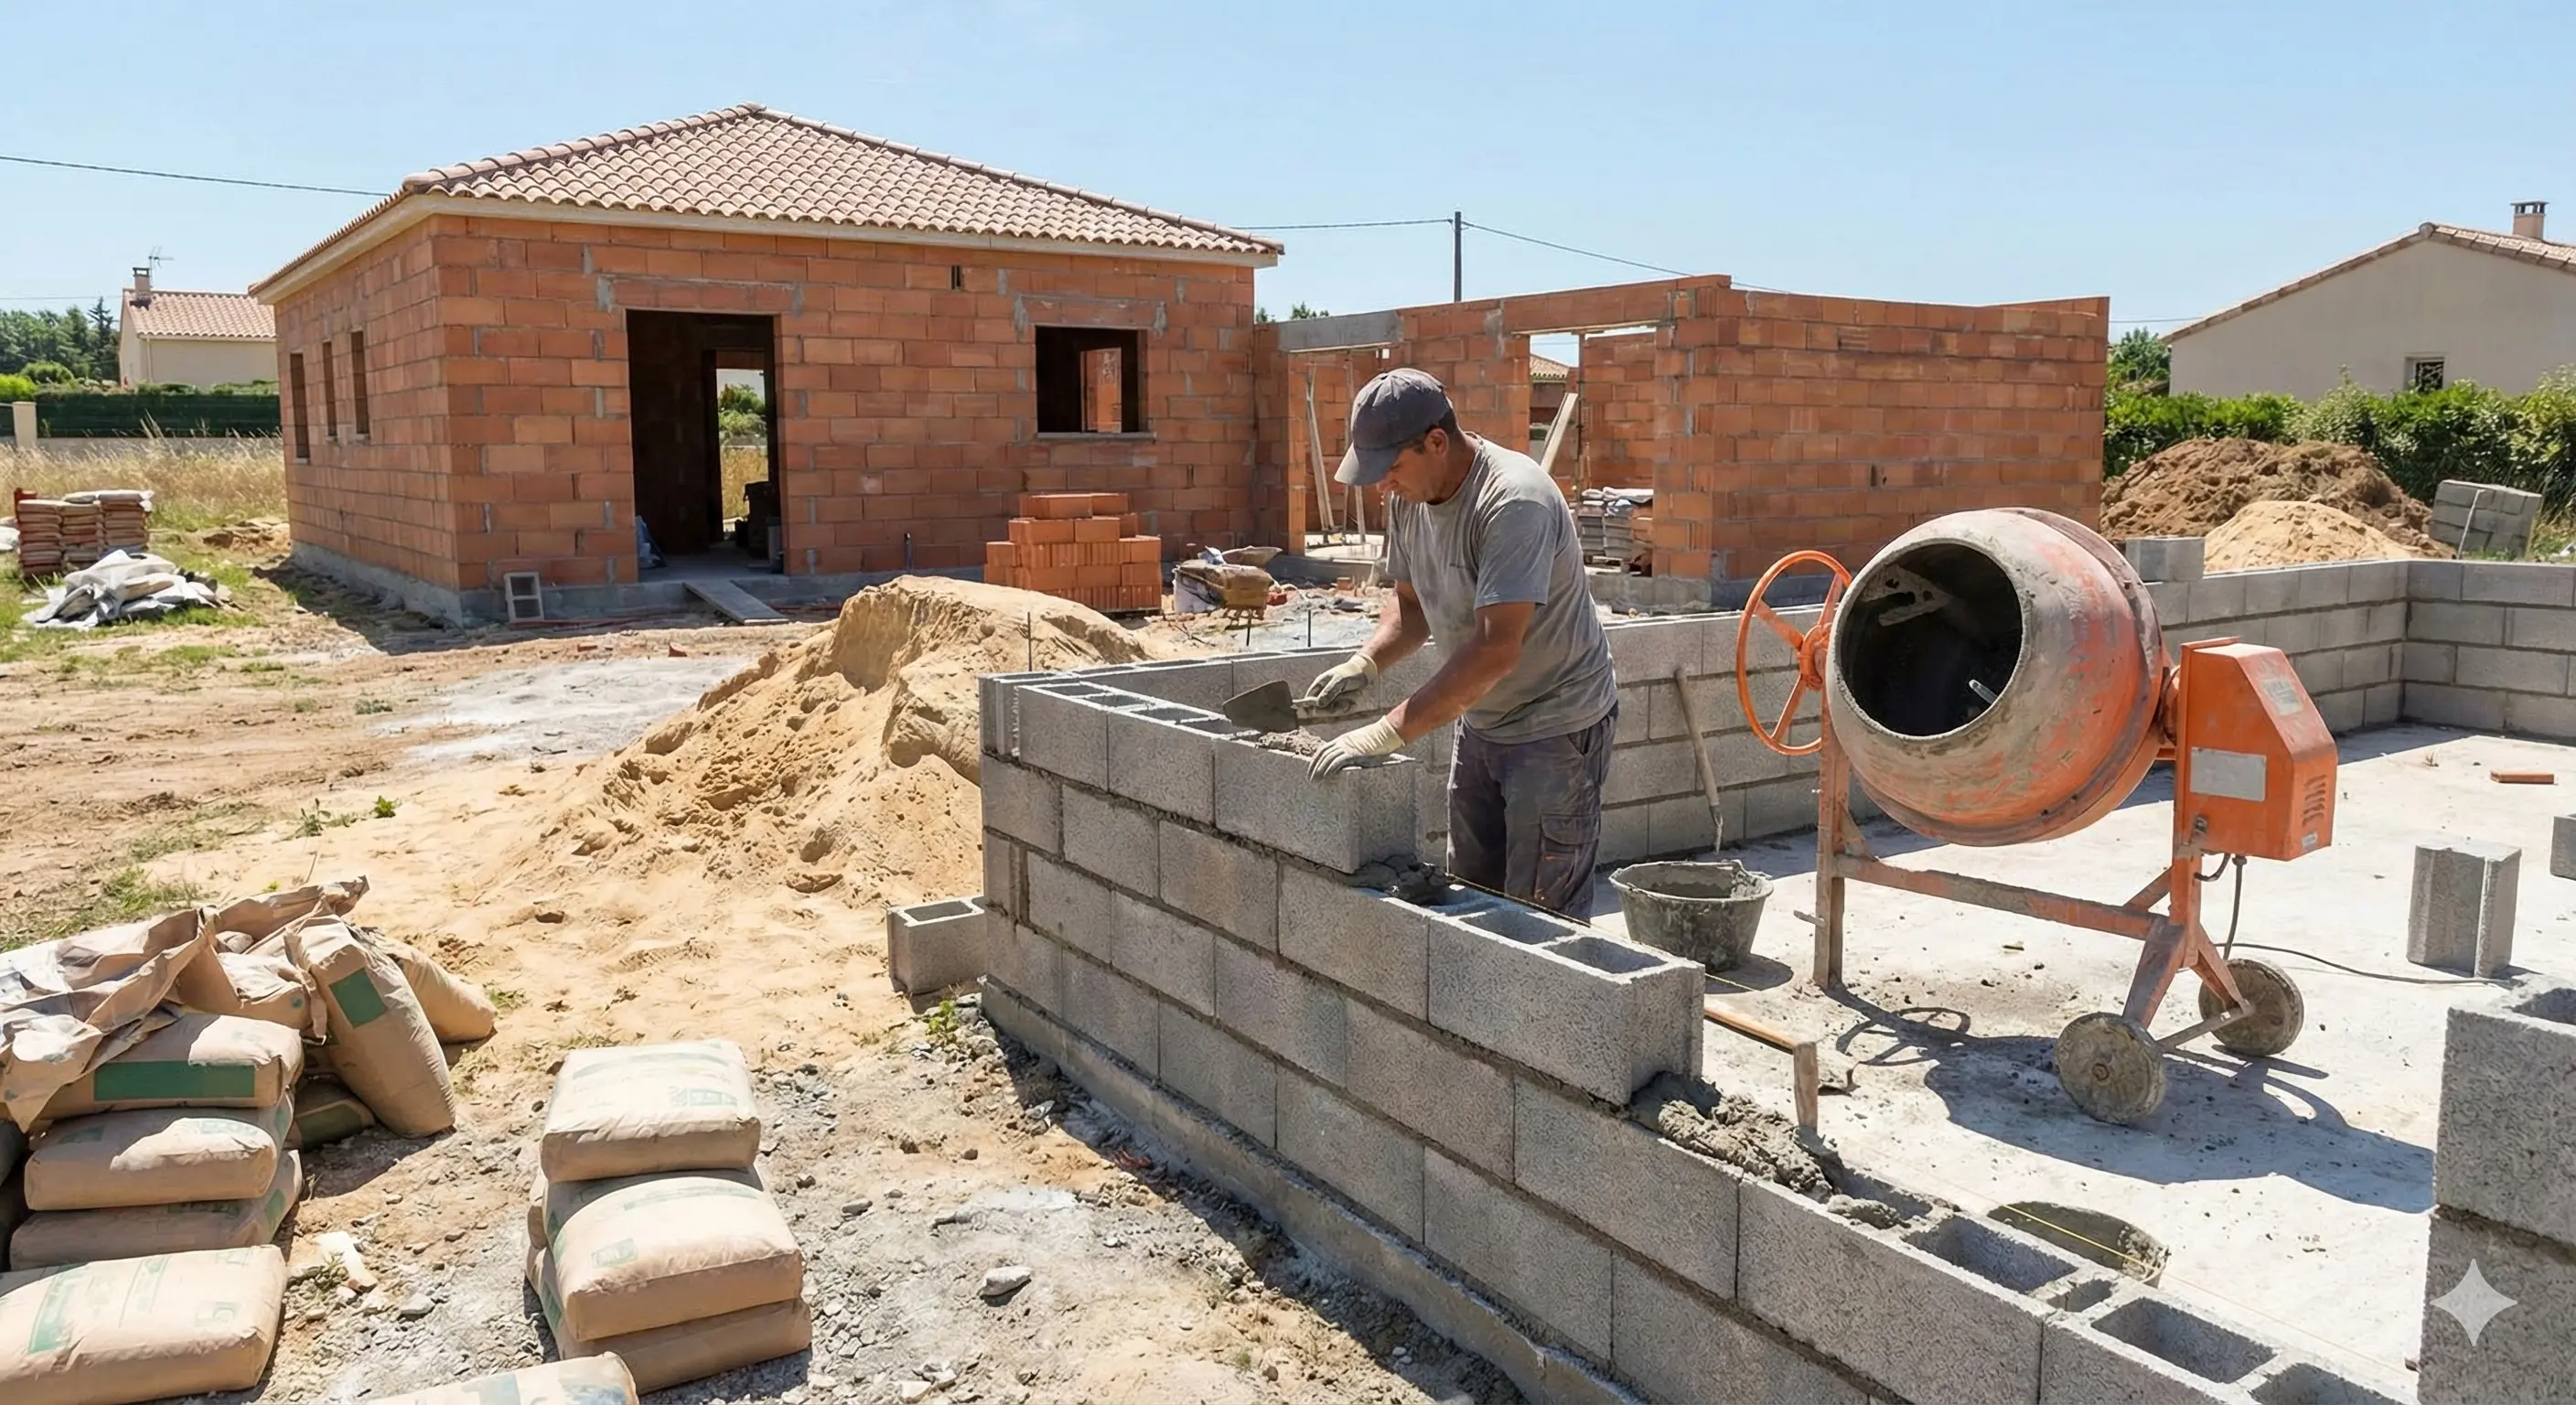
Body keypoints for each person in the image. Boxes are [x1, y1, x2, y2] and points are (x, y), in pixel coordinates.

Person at [1303, 368, 1619, 917]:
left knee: (1543, 919)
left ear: (1436, 442)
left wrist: (1385, 731)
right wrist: (1365, 663)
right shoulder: (1409, 496)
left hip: (1556, 728)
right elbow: (1411, 607)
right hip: (1482, 721)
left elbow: (1497, 648)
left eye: (1393, 468)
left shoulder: (1513, 503)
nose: (1385, 485)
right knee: (1474, 902)